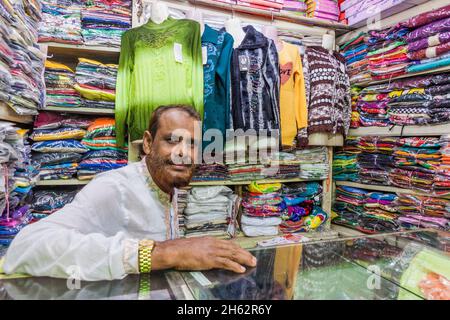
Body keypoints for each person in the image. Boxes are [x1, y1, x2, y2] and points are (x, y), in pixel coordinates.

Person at [3, 105, 257, 281]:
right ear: (148, 143)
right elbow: (27, 246)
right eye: (172, 140)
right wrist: (165, 253)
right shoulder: (114, 188)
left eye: (193, 144)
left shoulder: (167, 187)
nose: (184, 153)